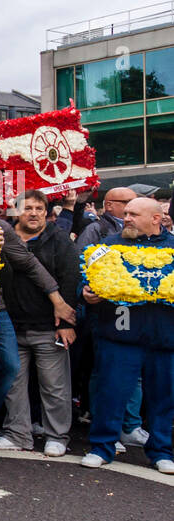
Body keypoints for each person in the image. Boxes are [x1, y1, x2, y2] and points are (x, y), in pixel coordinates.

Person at [80, 197, 174, 472]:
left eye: (134, 214)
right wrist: (85, 294)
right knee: (111, 394)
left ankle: (161, 451)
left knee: (164, 398)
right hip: (119, 338)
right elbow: (84, 281)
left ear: (156, 219)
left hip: (165, 339)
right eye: (126, 213)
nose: (127, 218)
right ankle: (101, 447)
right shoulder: (108, 246)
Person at [0, 190, 79, 457]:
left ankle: (57, 436)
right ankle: (17, 434)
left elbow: (69, 279)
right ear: (16, 211)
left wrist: (66, 323)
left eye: (39, 209)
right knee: (14, 385)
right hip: (11, 325)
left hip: (48, 326)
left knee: (55, 386)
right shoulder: (2, 238)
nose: (33, 213)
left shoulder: (59, 239)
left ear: (47, 212)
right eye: (28, 208)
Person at [75, 186, 134, 252]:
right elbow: (80, 256)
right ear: (109, 206)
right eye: (129, 202)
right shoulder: (95, 228)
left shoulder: (141, 225)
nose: (134, 205)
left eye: (136, 202)